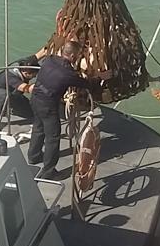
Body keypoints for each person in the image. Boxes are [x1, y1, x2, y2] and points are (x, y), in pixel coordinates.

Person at [27, 41, 111, 179]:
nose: (78, 57)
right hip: (48, 105)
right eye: (77, 55)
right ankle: (48, 171)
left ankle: (33, 156)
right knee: (52, 138)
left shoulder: (49, 60)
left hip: (35, 99)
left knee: (38, 128)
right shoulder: (68, 74)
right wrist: (100, 77)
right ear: (72, 56)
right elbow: (87, 84)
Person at [0, 48, 46, 130]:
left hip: (13, 92)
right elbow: (26, 88)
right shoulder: (11, 76)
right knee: (4, 95)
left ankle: (12, 107)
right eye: (33, 75)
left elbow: (39, 54)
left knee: (30, 112)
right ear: (25, 73)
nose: (34, 77)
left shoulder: (24, 64)